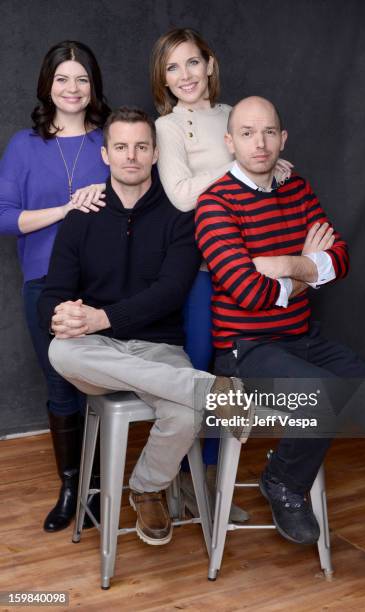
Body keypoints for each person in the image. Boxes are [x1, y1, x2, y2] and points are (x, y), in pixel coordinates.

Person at [195, 96, 365, 571]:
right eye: (247, 133)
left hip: (304, 339)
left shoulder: (299, 189)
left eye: (269, 132)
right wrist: (309, 270)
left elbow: (342, 258)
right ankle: (283, 480)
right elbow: (246, 291)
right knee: (323, 397)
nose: (260, 142)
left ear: (283, 139)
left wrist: (288, 266)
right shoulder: (214, 205)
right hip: (245, 349)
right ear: (230, 142)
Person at [38, 106, 247, 546]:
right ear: (106, 155)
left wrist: (104, 316)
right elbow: (53, 292)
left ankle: (148, 486)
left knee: (185, 409)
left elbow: (170, 292)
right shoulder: (83, 216)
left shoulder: (179, 218)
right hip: (95, 351)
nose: (131, 156)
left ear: (154, 153)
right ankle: (209, 389)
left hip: (158, 348)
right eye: (121, 147)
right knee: (60, 349)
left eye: (140, 146)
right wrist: (59, 315)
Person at [150, 28, 292, 521]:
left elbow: (265, 172)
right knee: (198, 375)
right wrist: (239, 161)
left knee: (224, 378)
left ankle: (212, 480)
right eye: (172, 68)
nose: (184, 76)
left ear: (209, 64)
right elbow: (184, 195)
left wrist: (269, 162)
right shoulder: (166, 127)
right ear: (163, 79)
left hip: (247, 265)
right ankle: (181, 482)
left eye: (191, 63)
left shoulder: (236, 116)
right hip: (200, 270)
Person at [0, 40, 110, 532]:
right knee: (60, 381)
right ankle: (72, 486)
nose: (72, 88)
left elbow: (152, 194)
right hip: (45, 283)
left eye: (82, 78)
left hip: (106, 281)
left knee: (107, 381)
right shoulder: (25, 145)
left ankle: (103, 487)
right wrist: (66, 210)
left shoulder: (112, 140)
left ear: (94, 86)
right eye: (63, 78)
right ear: (48, 84)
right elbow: (4, 218)